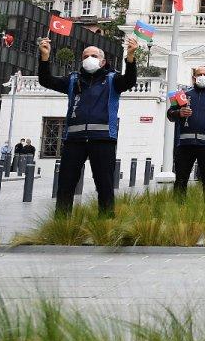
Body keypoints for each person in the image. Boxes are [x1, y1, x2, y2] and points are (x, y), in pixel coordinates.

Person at [37, 34, 139, 217]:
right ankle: (62, 222)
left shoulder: (112, 80)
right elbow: (46, 81)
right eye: (85, 56)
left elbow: (130, 80)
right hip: (74, 140)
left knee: (104, 184)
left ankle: (106, 222)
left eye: (93, 56)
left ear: (102, 61)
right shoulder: (73, 80)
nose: (89, 59)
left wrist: (130, 58)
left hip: (102, 139)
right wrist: (44, 57)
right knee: (66, 184)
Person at [166, 65, 205, 198]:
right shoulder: (182, 94)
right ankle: (178, 208)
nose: (202, 77)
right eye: (199, 74)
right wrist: (179, 112)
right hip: (184, 143)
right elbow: (170, 114)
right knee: (181, 179)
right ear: (194, 77)